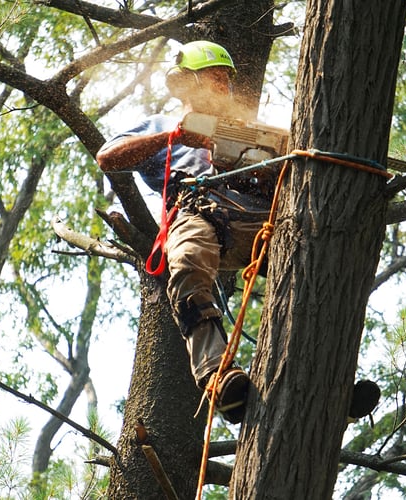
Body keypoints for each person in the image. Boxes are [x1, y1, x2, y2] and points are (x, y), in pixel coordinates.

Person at [96, 40, 380, 424]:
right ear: (186, 83)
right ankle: (217, 377)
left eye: (227, 79)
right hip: (199, 213)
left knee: (317, 265)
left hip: (260, 218)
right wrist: (176, 137)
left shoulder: (250, 131)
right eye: (215, 77)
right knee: (189, 260)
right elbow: (108, 158)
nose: (224, 86)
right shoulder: (162, 126)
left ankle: (329, 382)